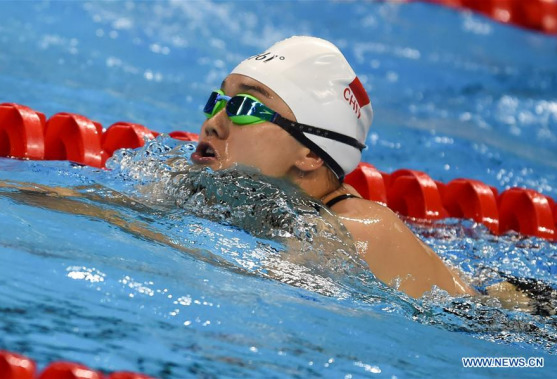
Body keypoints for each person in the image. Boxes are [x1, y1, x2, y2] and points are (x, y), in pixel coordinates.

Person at [190, 36, 476, 299]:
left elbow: (248, 284)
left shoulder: (355, 230)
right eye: (217, 101)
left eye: (245, 108)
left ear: (312, 153)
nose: (212, 124)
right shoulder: (251, 198)